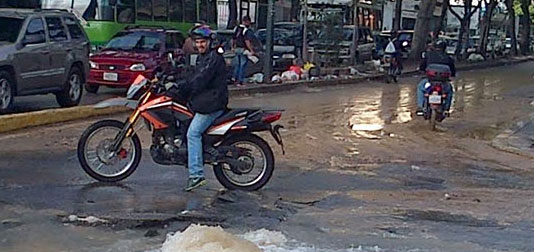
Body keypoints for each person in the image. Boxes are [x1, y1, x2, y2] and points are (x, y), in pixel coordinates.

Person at [173, 25, 228, 191]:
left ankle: (196, 175)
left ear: (210, 42)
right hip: (204, 101)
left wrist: (182, 87)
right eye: (197, 42)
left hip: (212, 104)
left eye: (202, 41)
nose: (199, 45)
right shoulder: (203, 57)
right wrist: (174, 76)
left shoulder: (213, 58)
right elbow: (192, 74)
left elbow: (200, 79)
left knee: (193, 133)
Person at [416, 39, 456, 116]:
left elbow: (422, 65)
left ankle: (420, 107)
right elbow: (453, 70)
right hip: (443, 82)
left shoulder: (428, 54)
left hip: (430, 81)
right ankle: (446, 109)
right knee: (449, 91)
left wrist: (421, 70)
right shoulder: (448, 57)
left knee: (421, 88)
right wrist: (453, 75)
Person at [232, 16, 256, 87]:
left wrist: (233, 47)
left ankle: (234, 78)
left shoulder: (237, 28)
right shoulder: (246, 30)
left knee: (237, 64)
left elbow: (233, 39)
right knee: (243, 65)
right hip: (243, 49)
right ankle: (240, 81)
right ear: (247, 21)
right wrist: (251, 50)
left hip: (237, 49)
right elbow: (247, 41)